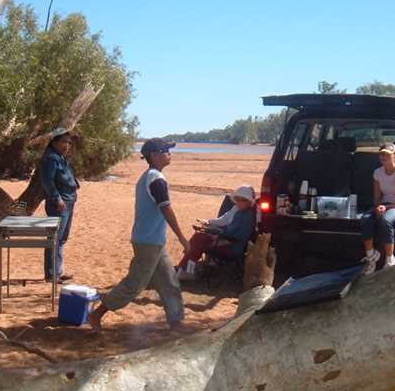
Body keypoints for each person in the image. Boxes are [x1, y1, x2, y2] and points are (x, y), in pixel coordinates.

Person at [88, 138, 190, 332]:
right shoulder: (156, 178)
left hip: (155, 241)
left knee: (169, 281)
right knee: (135, 284)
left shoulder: (150, 176)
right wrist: (182, 238)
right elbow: (166, 209)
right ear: (154, 155)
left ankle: (176, 322)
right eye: (165, 150)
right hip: (148, 242)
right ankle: (96, 314)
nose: (169, 153)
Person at [176, 186, 257, 281]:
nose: (239, 202)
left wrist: (215, 243)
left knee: (199, 244)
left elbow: (239, 239)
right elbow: (223, 220)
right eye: (237, 199)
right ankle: (185, 269)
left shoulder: (248, 216)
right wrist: (209, 223)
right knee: (199, 236)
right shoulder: (237, 210)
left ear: (249, 202)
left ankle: (185, 269)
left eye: (242, 200)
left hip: (232, 246)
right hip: (224, 238)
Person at [361, 142, 395, 273]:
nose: (384, 157)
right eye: (381, 154)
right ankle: (371, 256)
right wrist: (378, 207)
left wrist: (386, 208)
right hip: (384, 205)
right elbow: (377, 197)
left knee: (385, 220)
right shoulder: (377, 173)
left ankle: (390, 259)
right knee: (365, 218)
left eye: (387, 155)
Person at [40, 128, 79, 283]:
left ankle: (58, 271)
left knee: (62, 239)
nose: (66, 145)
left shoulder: (61, 158)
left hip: (69, 200)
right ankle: (51, 274)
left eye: (68, 142)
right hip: (59, 203)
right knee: (54, 238)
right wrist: (57, 198)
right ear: (54, 142)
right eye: (63, 141)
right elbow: (47, 181)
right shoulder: (51, 158)